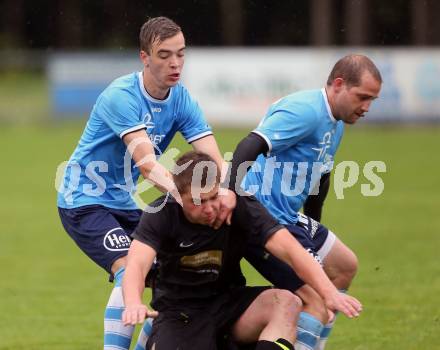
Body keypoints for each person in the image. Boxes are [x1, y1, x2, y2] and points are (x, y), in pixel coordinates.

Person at [57, 17, 235, 350]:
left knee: (166, 277)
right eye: (165, 54)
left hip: (124, 201)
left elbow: (213, 160)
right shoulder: (121, 96)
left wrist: (227, 192)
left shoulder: (181, 100)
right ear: (144, 58)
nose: (175, 63)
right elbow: (148, 164)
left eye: (180, 54)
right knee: (130, 267)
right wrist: (190, 201)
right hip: (84, 199)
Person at [122, 151, 362, 350]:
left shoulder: (239, 206)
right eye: (197, 201)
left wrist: (329, 291)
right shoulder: (161, 213)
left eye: (213, 197)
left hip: (230, 304)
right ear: (178, 195)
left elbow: (289, 249)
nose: (209, 208)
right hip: (181, 312)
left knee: (286, 302)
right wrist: (133, 302)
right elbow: (137, 264)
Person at [227, 54, 382, 350]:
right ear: (338, 85)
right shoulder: (305, 111)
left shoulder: (335, 124)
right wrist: (230, 195)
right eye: (363, 97)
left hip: (287, 216)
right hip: (261, 217)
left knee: (344, 266)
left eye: (372, 100)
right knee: (316, 297)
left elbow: (320, 181)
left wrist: (313, 227)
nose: (366, 108)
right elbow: (250, 145)